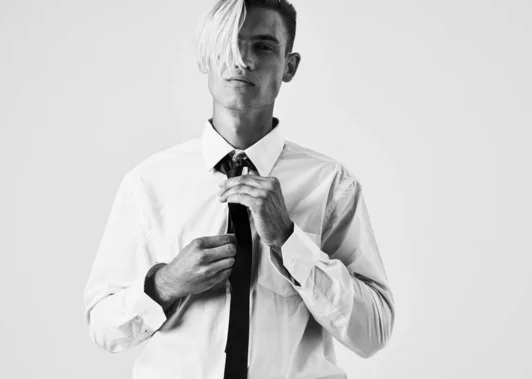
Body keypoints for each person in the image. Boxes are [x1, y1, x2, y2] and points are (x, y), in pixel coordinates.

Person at [83, 0, 395, 378]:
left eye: (263, 47)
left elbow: (372, 333)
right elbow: (103, 327)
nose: (243, 61)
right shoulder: (149, 183)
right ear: (206, 58)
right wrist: (165, 284)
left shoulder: (331, 185)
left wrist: (289, 241)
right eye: (229, 45)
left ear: (289, 67)